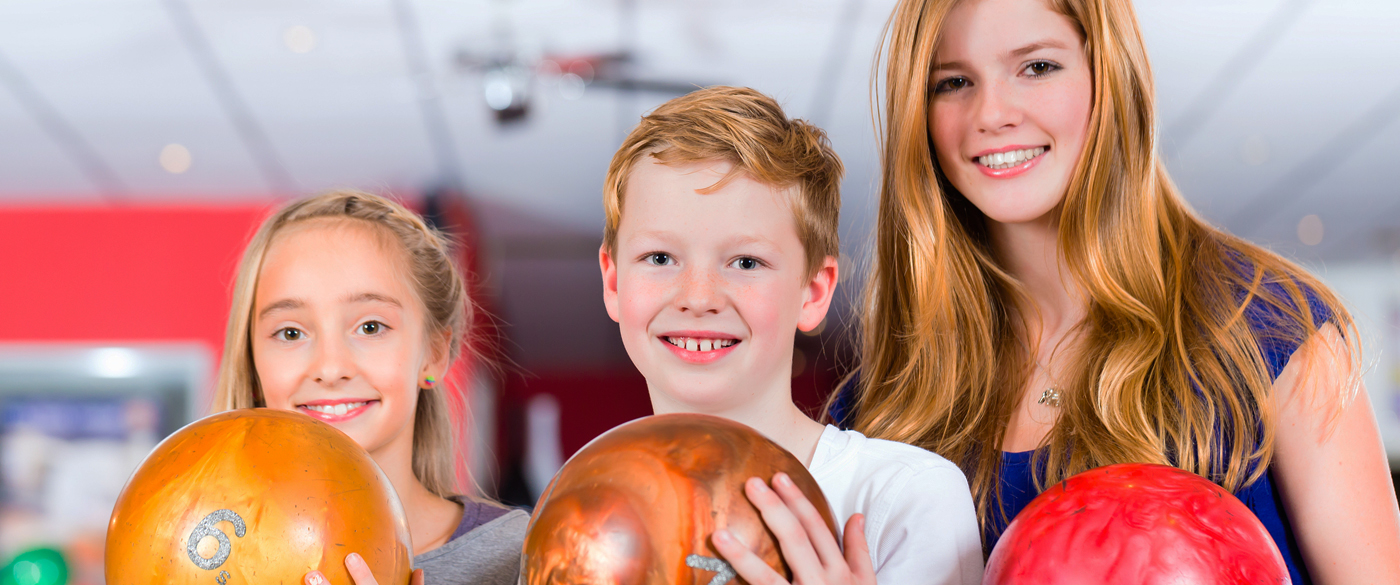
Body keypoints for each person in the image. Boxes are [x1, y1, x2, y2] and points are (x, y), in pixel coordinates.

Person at [828, 0, 1400, 583]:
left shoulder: (1272, 331)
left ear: (1109, 76)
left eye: (1038, 67)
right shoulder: (885, 402)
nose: (990, 113)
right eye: (953, 82)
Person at [598, 86, 983, 585]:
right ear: (612, 281)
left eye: (745, 262)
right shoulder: (590, 502)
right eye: (659, 258)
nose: (698, 296)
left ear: (814, 292)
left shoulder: (904, 498)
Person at [211, 191, 527, 585]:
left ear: (433, 354)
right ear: (254, 365)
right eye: (290, 332)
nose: (330, 368)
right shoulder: (198, 555)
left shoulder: (524, 556)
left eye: (370, 327)